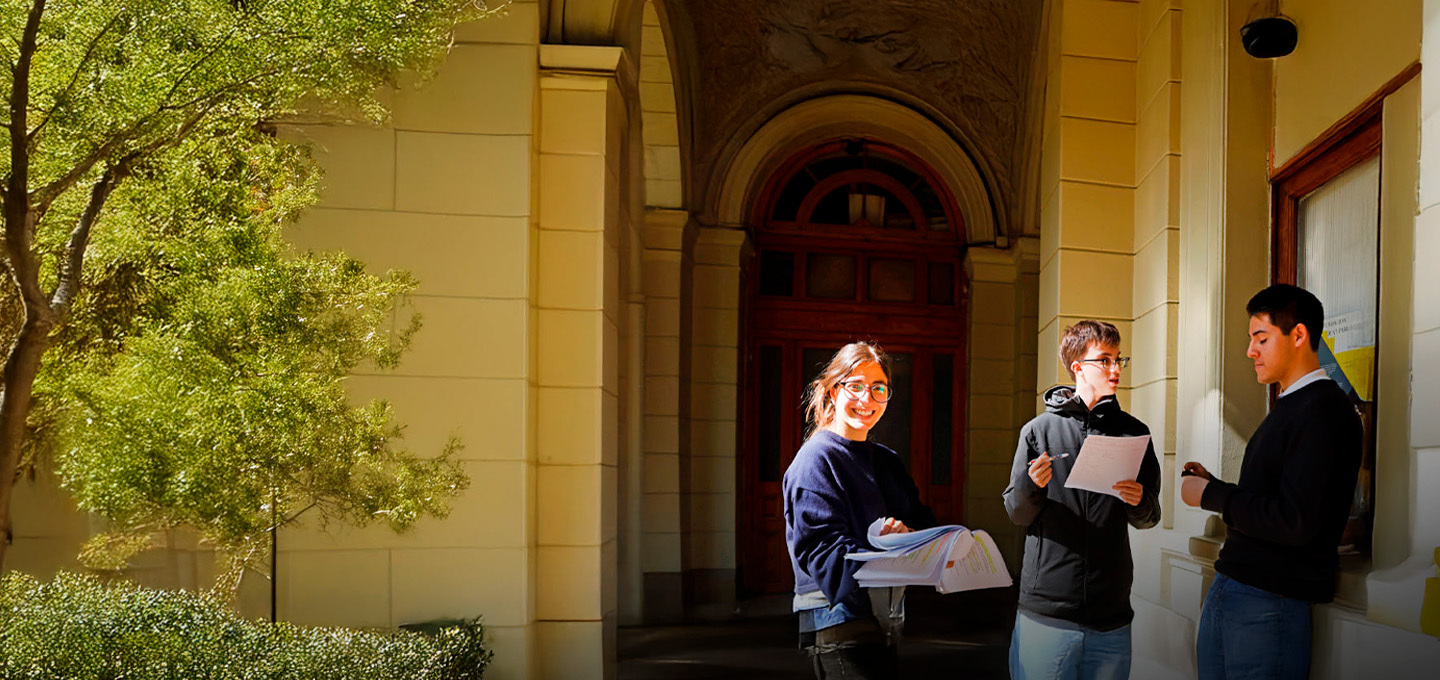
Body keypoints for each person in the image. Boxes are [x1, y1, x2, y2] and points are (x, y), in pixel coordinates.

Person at [1182, 284, 1362, 680]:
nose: (1251, 351)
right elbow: (1278, 501)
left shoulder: (1324, 409)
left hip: (1269, 603)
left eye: (1261, 338)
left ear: (1298, 335)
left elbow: (1295, 521)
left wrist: (1212, 495)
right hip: (1243, 593)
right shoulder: (1295, 405)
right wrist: (1216, 486)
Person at [1003, 320, 1162, 679]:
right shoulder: (1039, 430)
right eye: (1104, 360)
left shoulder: (1134, 432)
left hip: (1112, 615)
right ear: (1077, 367)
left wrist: (1139, 501)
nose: (1115, 369)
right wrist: (1032, 485)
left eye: (1119, 359)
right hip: (1048, 614)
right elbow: (1016, 512)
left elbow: (1149, 516)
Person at [784, 341, 937, 679]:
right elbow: (823, 553)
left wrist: (909, 535)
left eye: (878, 388)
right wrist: (884, 547)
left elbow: (923, 521)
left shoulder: (886, 461)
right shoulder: (816, 460)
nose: (867, 399)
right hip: (840, 624)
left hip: (885, 620)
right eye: (855, 386)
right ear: (832, 391)